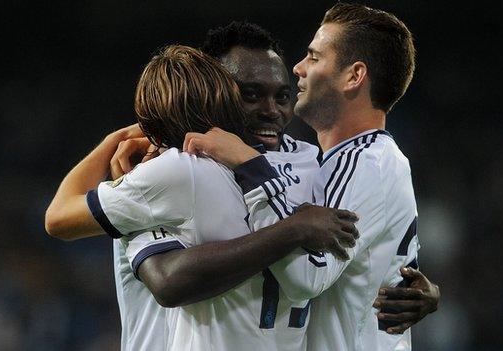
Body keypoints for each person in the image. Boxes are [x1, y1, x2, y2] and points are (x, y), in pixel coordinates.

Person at [45, 45, 359, 351]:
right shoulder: (307, 166)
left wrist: (114, 141)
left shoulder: (174, 173)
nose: (270, 109)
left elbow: (58, 219)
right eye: (249, 95)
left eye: (281, 96)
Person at [183, 3, 436, 350]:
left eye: (315, 58)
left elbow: (307, 275)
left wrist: (251, 165)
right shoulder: (334, 161)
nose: (298, 68)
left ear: (354, 76)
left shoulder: (365, 163)